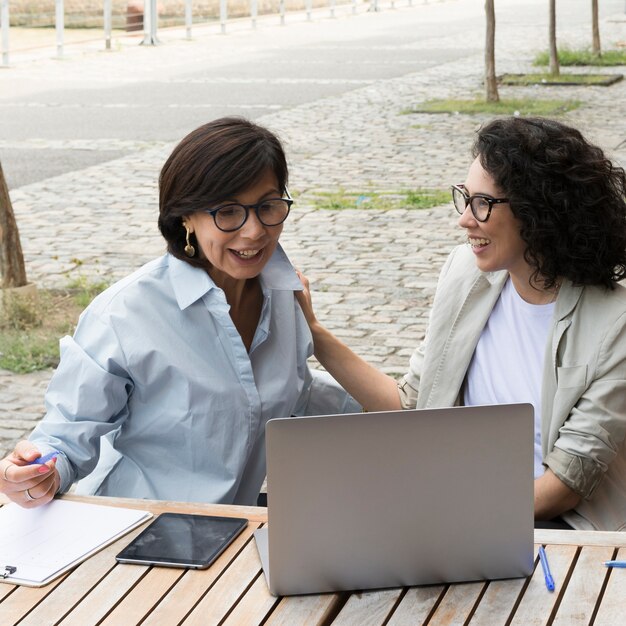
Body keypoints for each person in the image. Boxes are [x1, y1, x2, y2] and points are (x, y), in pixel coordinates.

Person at [0, 117, 358, 509]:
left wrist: (398, 413)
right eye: (227, 211)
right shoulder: (125, 314)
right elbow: (65, 438)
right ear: (185, 216)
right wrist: (38, 471)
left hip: (232, 529)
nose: (254, 230)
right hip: (136, 529)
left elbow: (295, 394)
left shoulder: (286, 296)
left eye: (267, 206)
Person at [296, 117, 626, 531]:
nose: (465, 219)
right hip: (459, 505)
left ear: (538, 211)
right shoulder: (465, 274)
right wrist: (315, 334)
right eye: (464, 199)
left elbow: (566, 484)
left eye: (482, 204)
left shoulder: (615, 322)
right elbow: (412, 404)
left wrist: (450, 512)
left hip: (559, 527)